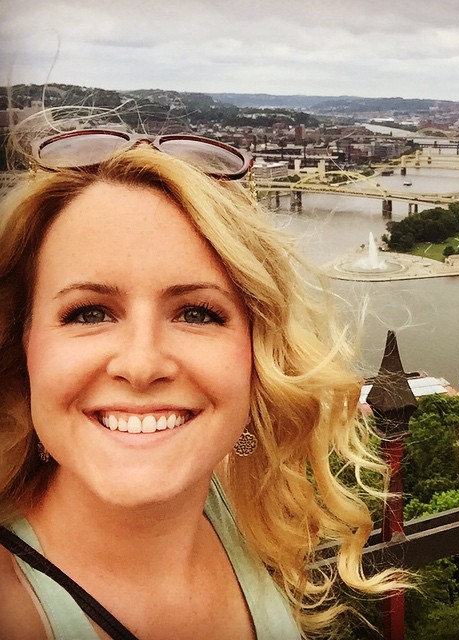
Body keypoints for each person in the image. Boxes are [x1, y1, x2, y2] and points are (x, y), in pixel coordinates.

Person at [0, 116, 406, 639]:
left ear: (257, 350)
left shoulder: (242, 513)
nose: (142, 365)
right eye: (88, 313)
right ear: (23, 344)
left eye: (196, 313)